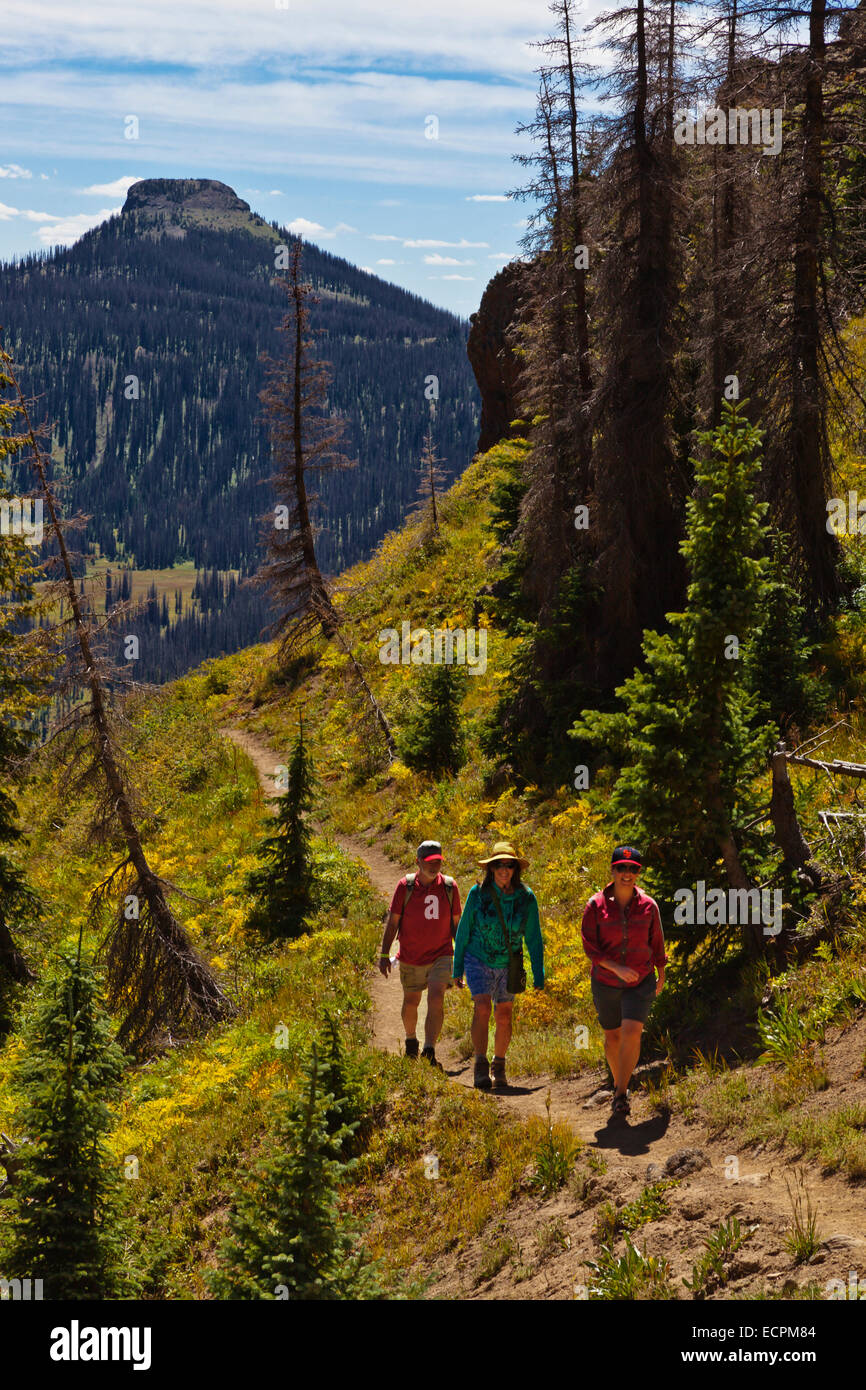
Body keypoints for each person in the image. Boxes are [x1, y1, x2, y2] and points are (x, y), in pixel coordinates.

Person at [581, 845, 666, 1119]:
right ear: (613, 870)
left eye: (633, 869)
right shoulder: (595, 905)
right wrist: (615, 967)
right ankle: (620, 1085)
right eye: (621, 868)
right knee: (612, 1037)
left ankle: (620, 1094)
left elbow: (657, 942)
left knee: (631, 1032)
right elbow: (590, 947)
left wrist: (661, 970)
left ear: (638, 873)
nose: (627, 874)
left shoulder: (649, 906)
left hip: (640, 979)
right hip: (606, 980)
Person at [452, 841, 544, 1091]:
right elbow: (463, 931)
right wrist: (457, 968)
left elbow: (534, 938)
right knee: (482, 1007)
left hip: (509, 962)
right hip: (477, 958)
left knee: (504, 1015)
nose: (504, 869)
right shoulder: (478, 893)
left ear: (516, 869)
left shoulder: (526, 898)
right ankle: (480, 1065)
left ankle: (499, 1065)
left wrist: (539, 974)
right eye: (499, 865)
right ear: (491, 868)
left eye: (509, 865)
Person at [378, 840, 461, 1067]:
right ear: (418, 862)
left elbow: (457, 926)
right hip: (412, 955)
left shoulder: (450, 887)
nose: (434, 866)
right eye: (429, 862)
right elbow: (393, 922)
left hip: (441, 955)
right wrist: (384, 954)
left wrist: (461, 960)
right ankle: (411, 1040)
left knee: (436, 997)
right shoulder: (405, 887)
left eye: (437, 862)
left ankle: (429, 1050)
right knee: (411, 1001)